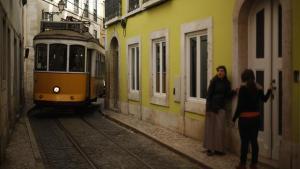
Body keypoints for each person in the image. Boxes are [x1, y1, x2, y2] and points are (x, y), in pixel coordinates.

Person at [232, 69, 272, 169]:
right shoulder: (258, 87)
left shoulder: (242, 88)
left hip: (245, 119)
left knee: (244, 142)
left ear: (243, 77)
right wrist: (269, 90)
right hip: (255, 119)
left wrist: (234, 119)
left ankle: (242, 164)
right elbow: (265, 99)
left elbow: (240, 106)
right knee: (254, 141)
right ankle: (254, 164)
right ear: (253, 76)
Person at [203, 65, 236, 156]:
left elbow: (227, 96)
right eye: (218, 71)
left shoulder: (227, 83)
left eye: (222, 71)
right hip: (212, 108)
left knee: (220, 129)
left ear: (225, 73)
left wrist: (234, 92)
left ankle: (218, 149)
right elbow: (209, 95)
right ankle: (210, 149)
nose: (220, 72)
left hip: (221, 107)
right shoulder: (213, 81)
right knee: (210, 129)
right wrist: (207, 108)